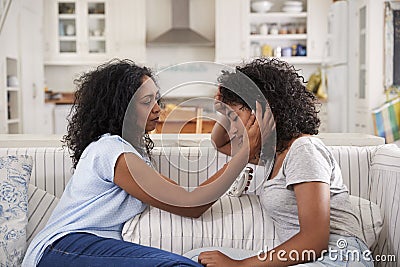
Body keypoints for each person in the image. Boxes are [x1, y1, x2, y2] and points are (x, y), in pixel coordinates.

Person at [22, 59, 264, 267]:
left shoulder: (132, 153)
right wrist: (243, 153)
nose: (158, 109)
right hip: (62, 247)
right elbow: (191, 205)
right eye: (147, 101)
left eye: (157, 99)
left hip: (88, 247)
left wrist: (225, 110)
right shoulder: (111, 151)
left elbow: (187, 196)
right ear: (121, 107)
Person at [198, 58, 373, 266]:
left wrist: (241, 265)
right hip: (306, 259)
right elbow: (219, 143)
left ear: (262, 112)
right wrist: (224, 106)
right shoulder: (274, 155)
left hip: (339, 255)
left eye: (235, 118)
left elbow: (315, 241)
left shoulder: (304, 150)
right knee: (196, 257)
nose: (232, 129)